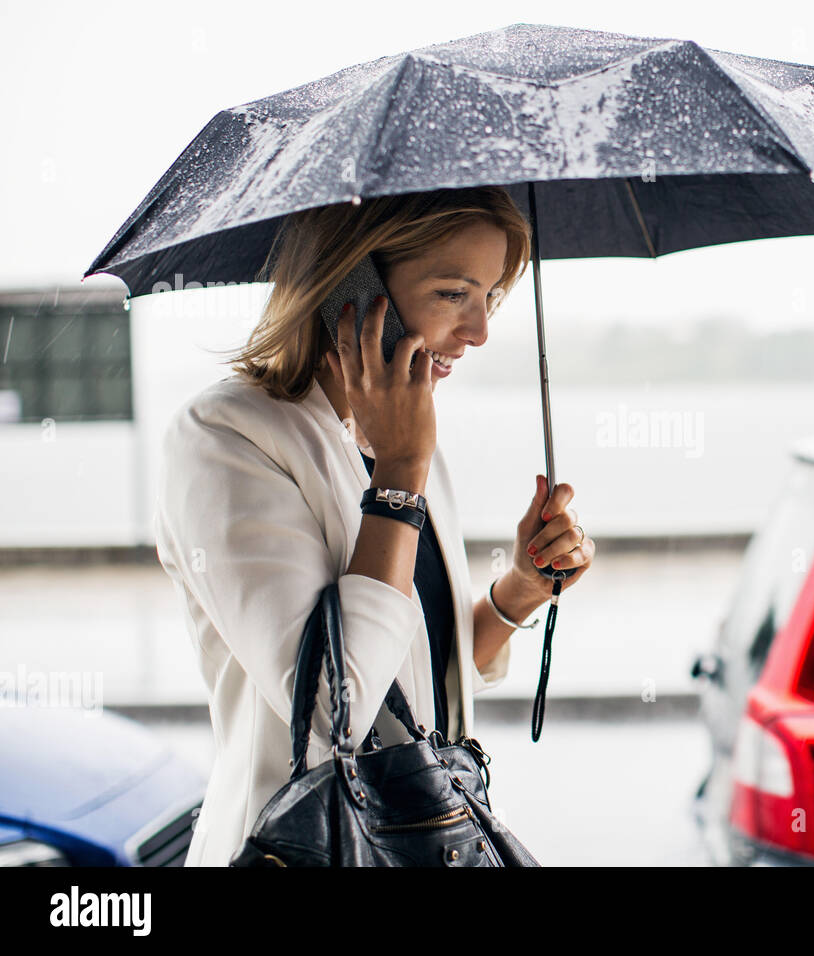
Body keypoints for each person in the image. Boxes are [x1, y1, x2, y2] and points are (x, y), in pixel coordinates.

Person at [152, 186, 596, 866]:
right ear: (351, 286)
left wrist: (519, 593)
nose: (479, 331)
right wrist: (399, 475)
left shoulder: (402, 436)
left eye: (492, 298)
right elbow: (336, 712)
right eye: (454, 294)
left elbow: (415, 683)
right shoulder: (225, 437)